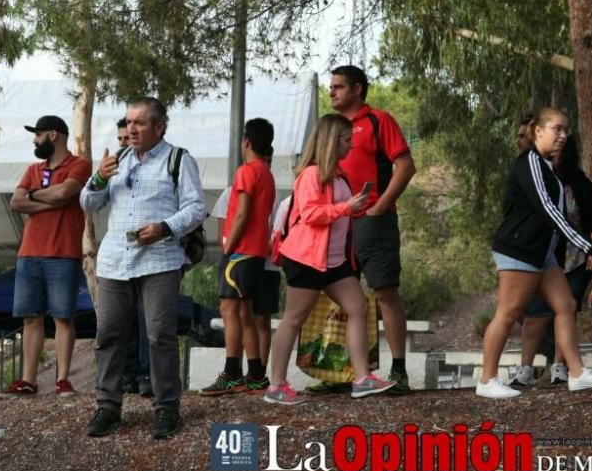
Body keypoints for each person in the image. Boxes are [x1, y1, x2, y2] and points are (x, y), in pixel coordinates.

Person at [80, 97, 206, 439]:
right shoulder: (116, 161)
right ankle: (108, 406)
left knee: (160, 335)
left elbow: (196, 208)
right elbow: (88, 204)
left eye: (139, 123)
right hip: (114, 261)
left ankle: (167, 407)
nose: (131, 129)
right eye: (128, 122)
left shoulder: (179, 159)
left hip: (159, 260)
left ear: (159, 127)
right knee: (108, 334)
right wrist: (99, 179)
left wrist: (164, 227)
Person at [477, 108, 592, 399]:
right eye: (556, 129)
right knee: (509, 311)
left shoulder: (546, 166)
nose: (563, 135)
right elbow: (550, 211)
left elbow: (553, 214)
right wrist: (585, 243)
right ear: (538, 131)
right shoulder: (530, 162)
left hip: (543, 253)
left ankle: (577, 374)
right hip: (520, 250)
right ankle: (487, 380)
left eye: (566, 130)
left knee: (565, 304)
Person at [264, 114, 396, 405]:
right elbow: (311, 214)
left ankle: (362, 379)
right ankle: (276, 386)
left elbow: (337, 213)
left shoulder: (338, 176)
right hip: (306, 259)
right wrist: (345, 207)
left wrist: (351, 207)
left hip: (334, 261)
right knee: (293, 319)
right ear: (330, 141)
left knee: (358, 306)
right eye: (347, 139)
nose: (351, 145)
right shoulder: (311, 175)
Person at [327, 64, 416, 394]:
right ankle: (341, 372)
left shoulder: (379, 120)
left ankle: (399, 370)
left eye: (338, 86)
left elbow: (406, 167)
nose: (332, 91)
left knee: (385, 293)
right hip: (339, 224)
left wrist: (379, 207)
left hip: (374, 223)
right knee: (341, 297)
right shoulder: (331, 128)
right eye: (331, 86)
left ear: (358, 89)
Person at [4, 115, 91, 396]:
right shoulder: (33, 168)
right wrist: (49, 197)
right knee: (30, 317)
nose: (34, 140)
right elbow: (16, 202)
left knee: (63, 317)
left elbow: (65, 193)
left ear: (53, 135)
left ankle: (62, 379)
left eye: (38, 134)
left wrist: (35, 196)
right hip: (28, 253)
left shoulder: (80, 164)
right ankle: (28, 379)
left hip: (63, 252)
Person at [510, 135, 592, 386]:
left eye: (558, 150)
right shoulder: (532, 176)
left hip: (574, 258)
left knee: (567, 310)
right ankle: (525, 369)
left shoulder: (580, 184)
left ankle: (560, 367)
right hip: (540, 256)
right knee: (534, 314)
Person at [201, 119, 276, 396]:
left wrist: (228, 246)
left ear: (246, 141)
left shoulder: (246, 171)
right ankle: (255, 374)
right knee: (244, 312)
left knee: (229, 310)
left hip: (241, 251)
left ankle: (232, 372)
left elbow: (243, 213)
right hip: (255, 253)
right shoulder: (267, 174)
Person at [117, 117, 152, 398]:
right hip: (120, 256)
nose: (124, 145)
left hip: (154, 256)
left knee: (148, 319)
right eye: (120, 140)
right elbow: (89, 199)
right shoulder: (113, 167)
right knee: (122, 318)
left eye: (127, 139)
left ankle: (147, 374)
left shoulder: (165, 164)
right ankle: (126, 374)